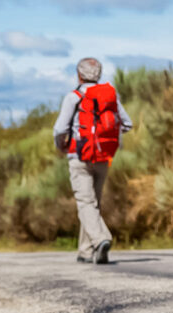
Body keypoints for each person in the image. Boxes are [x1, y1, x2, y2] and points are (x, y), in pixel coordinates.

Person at [53, 57, 133, 264]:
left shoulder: (74, 97)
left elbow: (60, 129)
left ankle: (101, 239)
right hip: (103, 156)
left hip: (79, 156)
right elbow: (127, 123)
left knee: (85, 203)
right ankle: (85, 251)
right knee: (93, 203)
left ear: (79, 75)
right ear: (99, 74)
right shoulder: (110, 96)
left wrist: (60, 144)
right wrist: (107, 135)